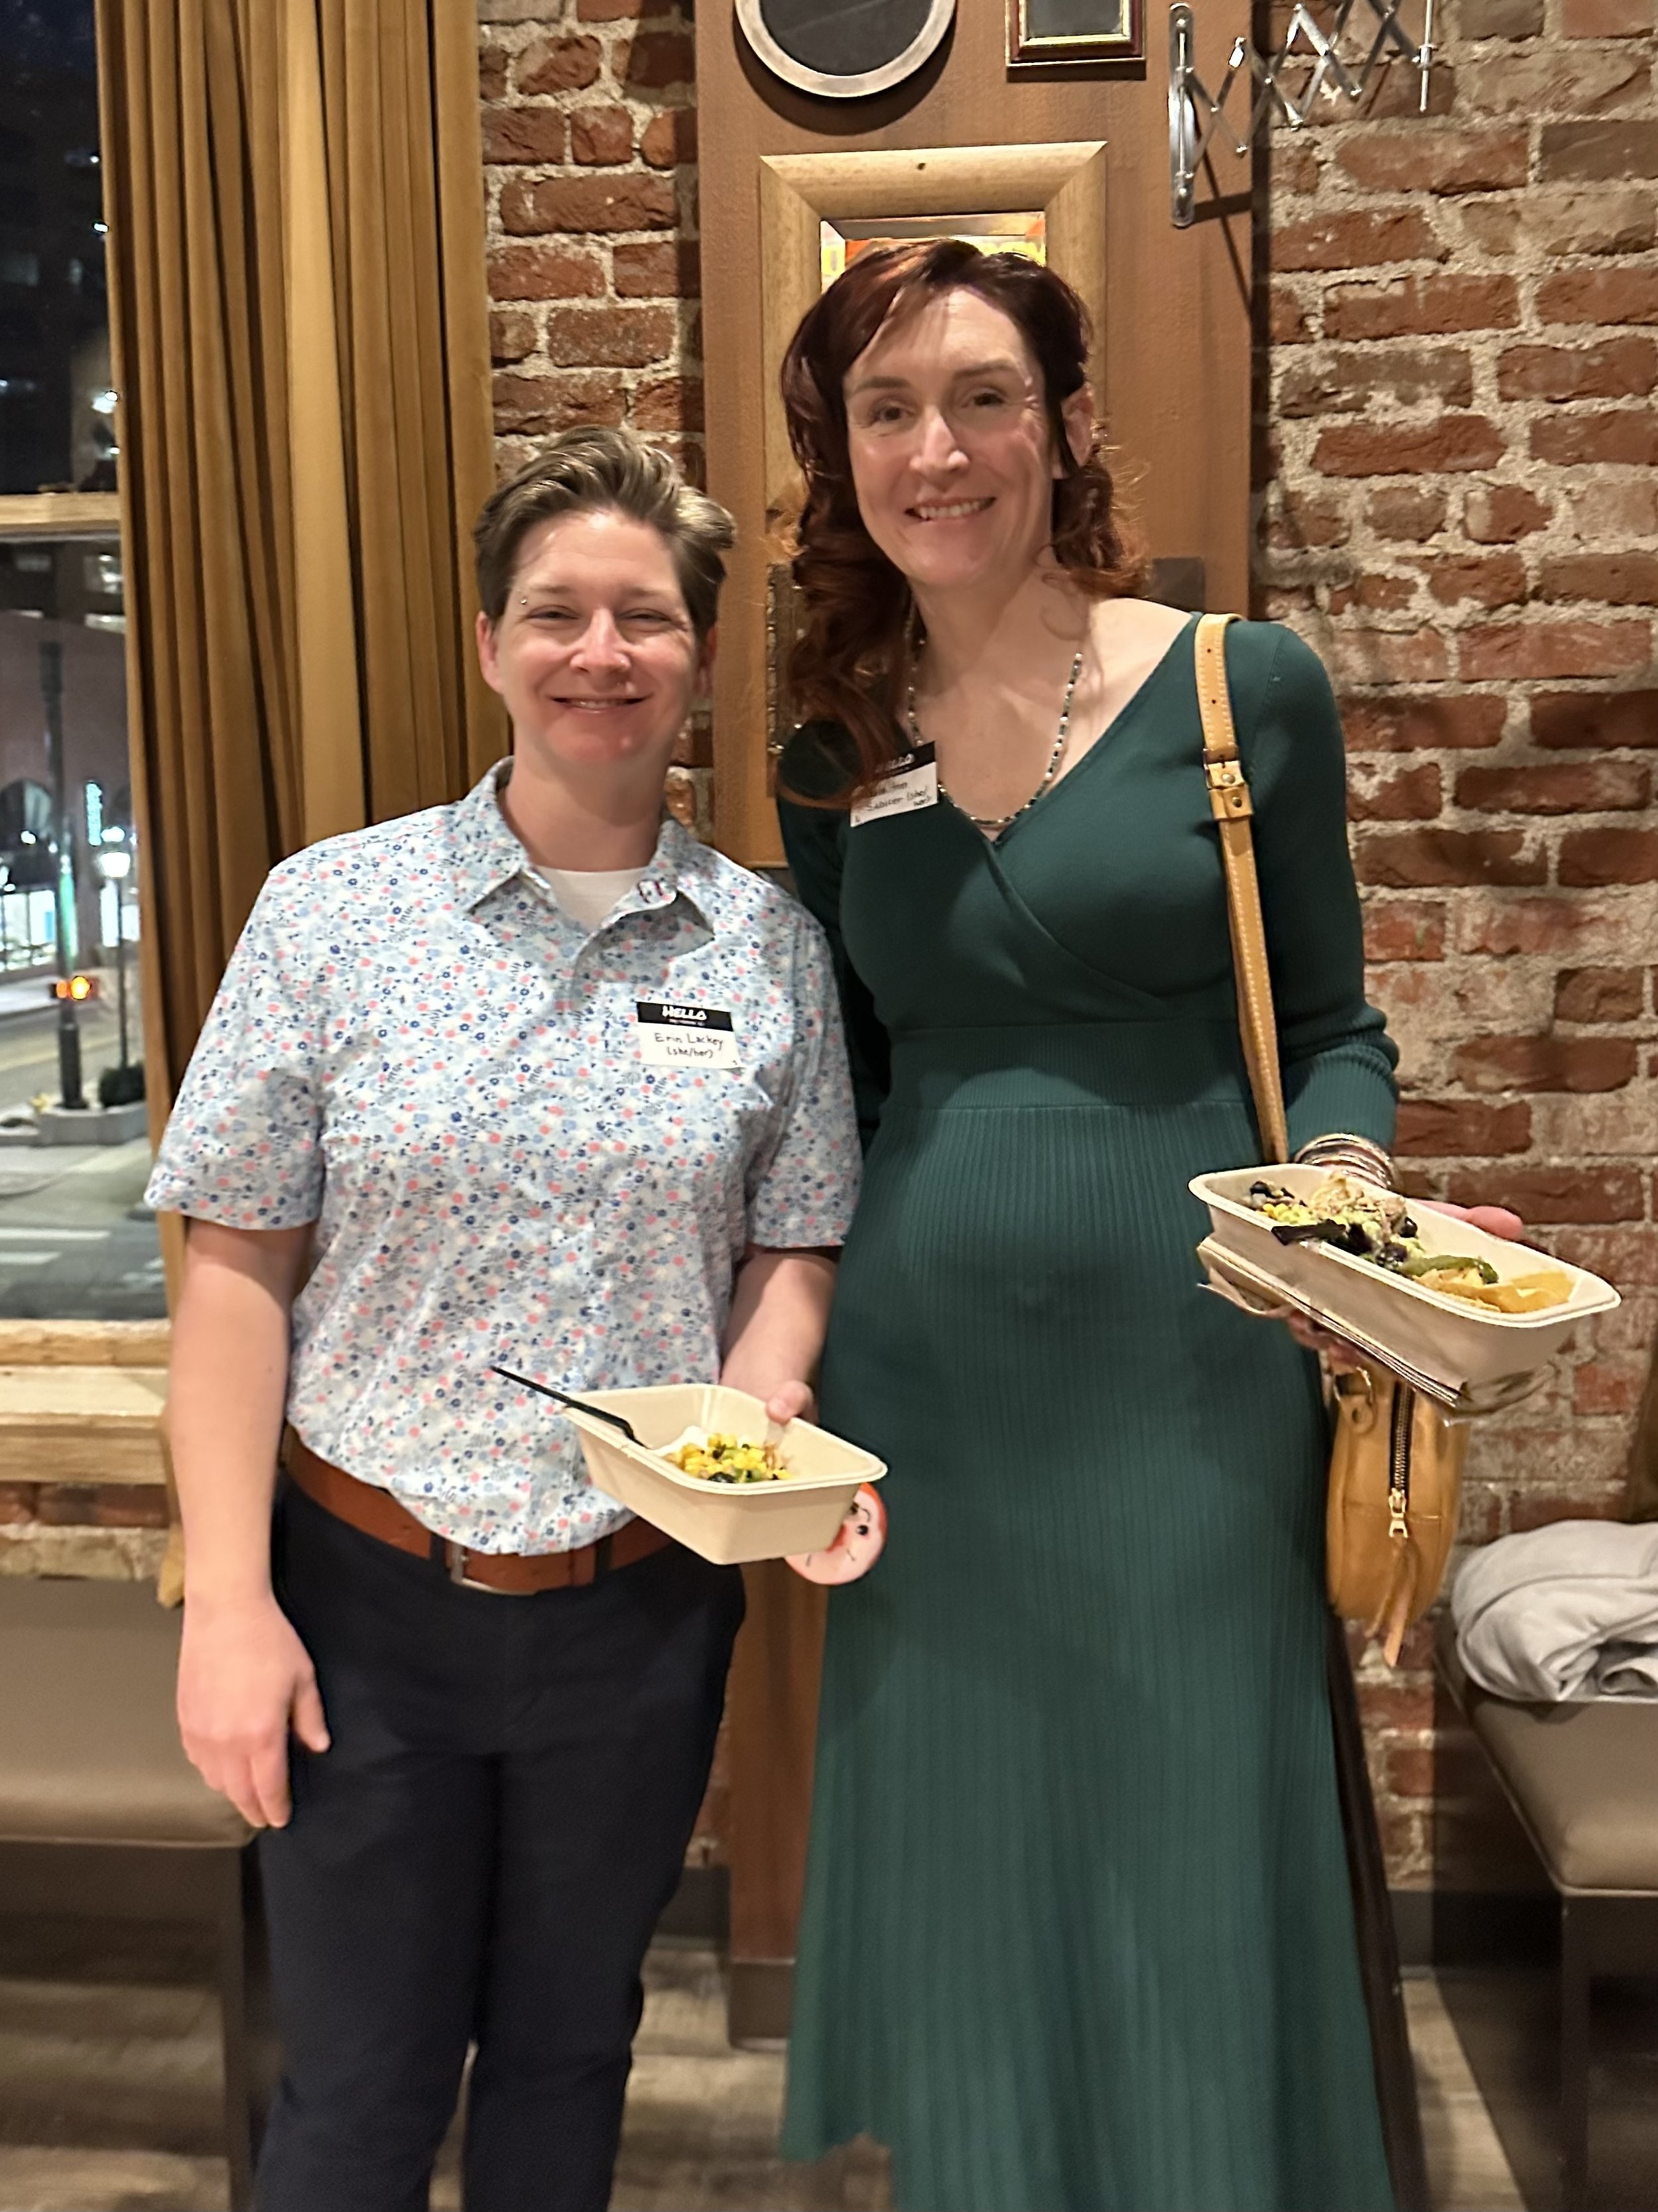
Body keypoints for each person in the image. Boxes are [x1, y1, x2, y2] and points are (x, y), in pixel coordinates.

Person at [773, 239, 1455, 2212]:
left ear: (1065, 424)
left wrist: (1338, 1191)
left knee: (1179, 1824)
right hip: (930, 1395)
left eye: (982, 396)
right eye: (885, 410)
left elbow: (1334, 1029)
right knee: (978, 1843)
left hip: (1190, 1374)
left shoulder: (1243, 690)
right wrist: (787, 1362)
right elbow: (849, 1087)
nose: (937, 449)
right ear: (843, 459)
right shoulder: (833, 742)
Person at [151, 426, 860, 2212]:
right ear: (489, 644)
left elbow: (792, 1248)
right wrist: (228, 1605)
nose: (598, 653)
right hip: (363, 1603)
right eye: (556, 613)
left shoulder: (764, 949)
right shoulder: (333, 914)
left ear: (699, 653)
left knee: (567, 2055)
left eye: (643, 617)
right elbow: (230, 1282)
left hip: (635, 1617)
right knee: (362, 2092)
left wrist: (765, 1415)